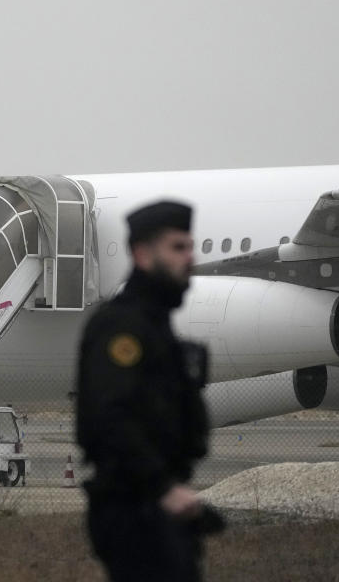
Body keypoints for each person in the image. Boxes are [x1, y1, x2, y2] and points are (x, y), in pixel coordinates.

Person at [76, 200, 220, 581]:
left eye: (190, 247)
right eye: (177, 248)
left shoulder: (156, 325)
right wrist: (162, 489)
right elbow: (109, 419)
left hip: (158, 505)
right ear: (142, 253)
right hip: (134, 508)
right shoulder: (122, 327)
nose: (189, 257)